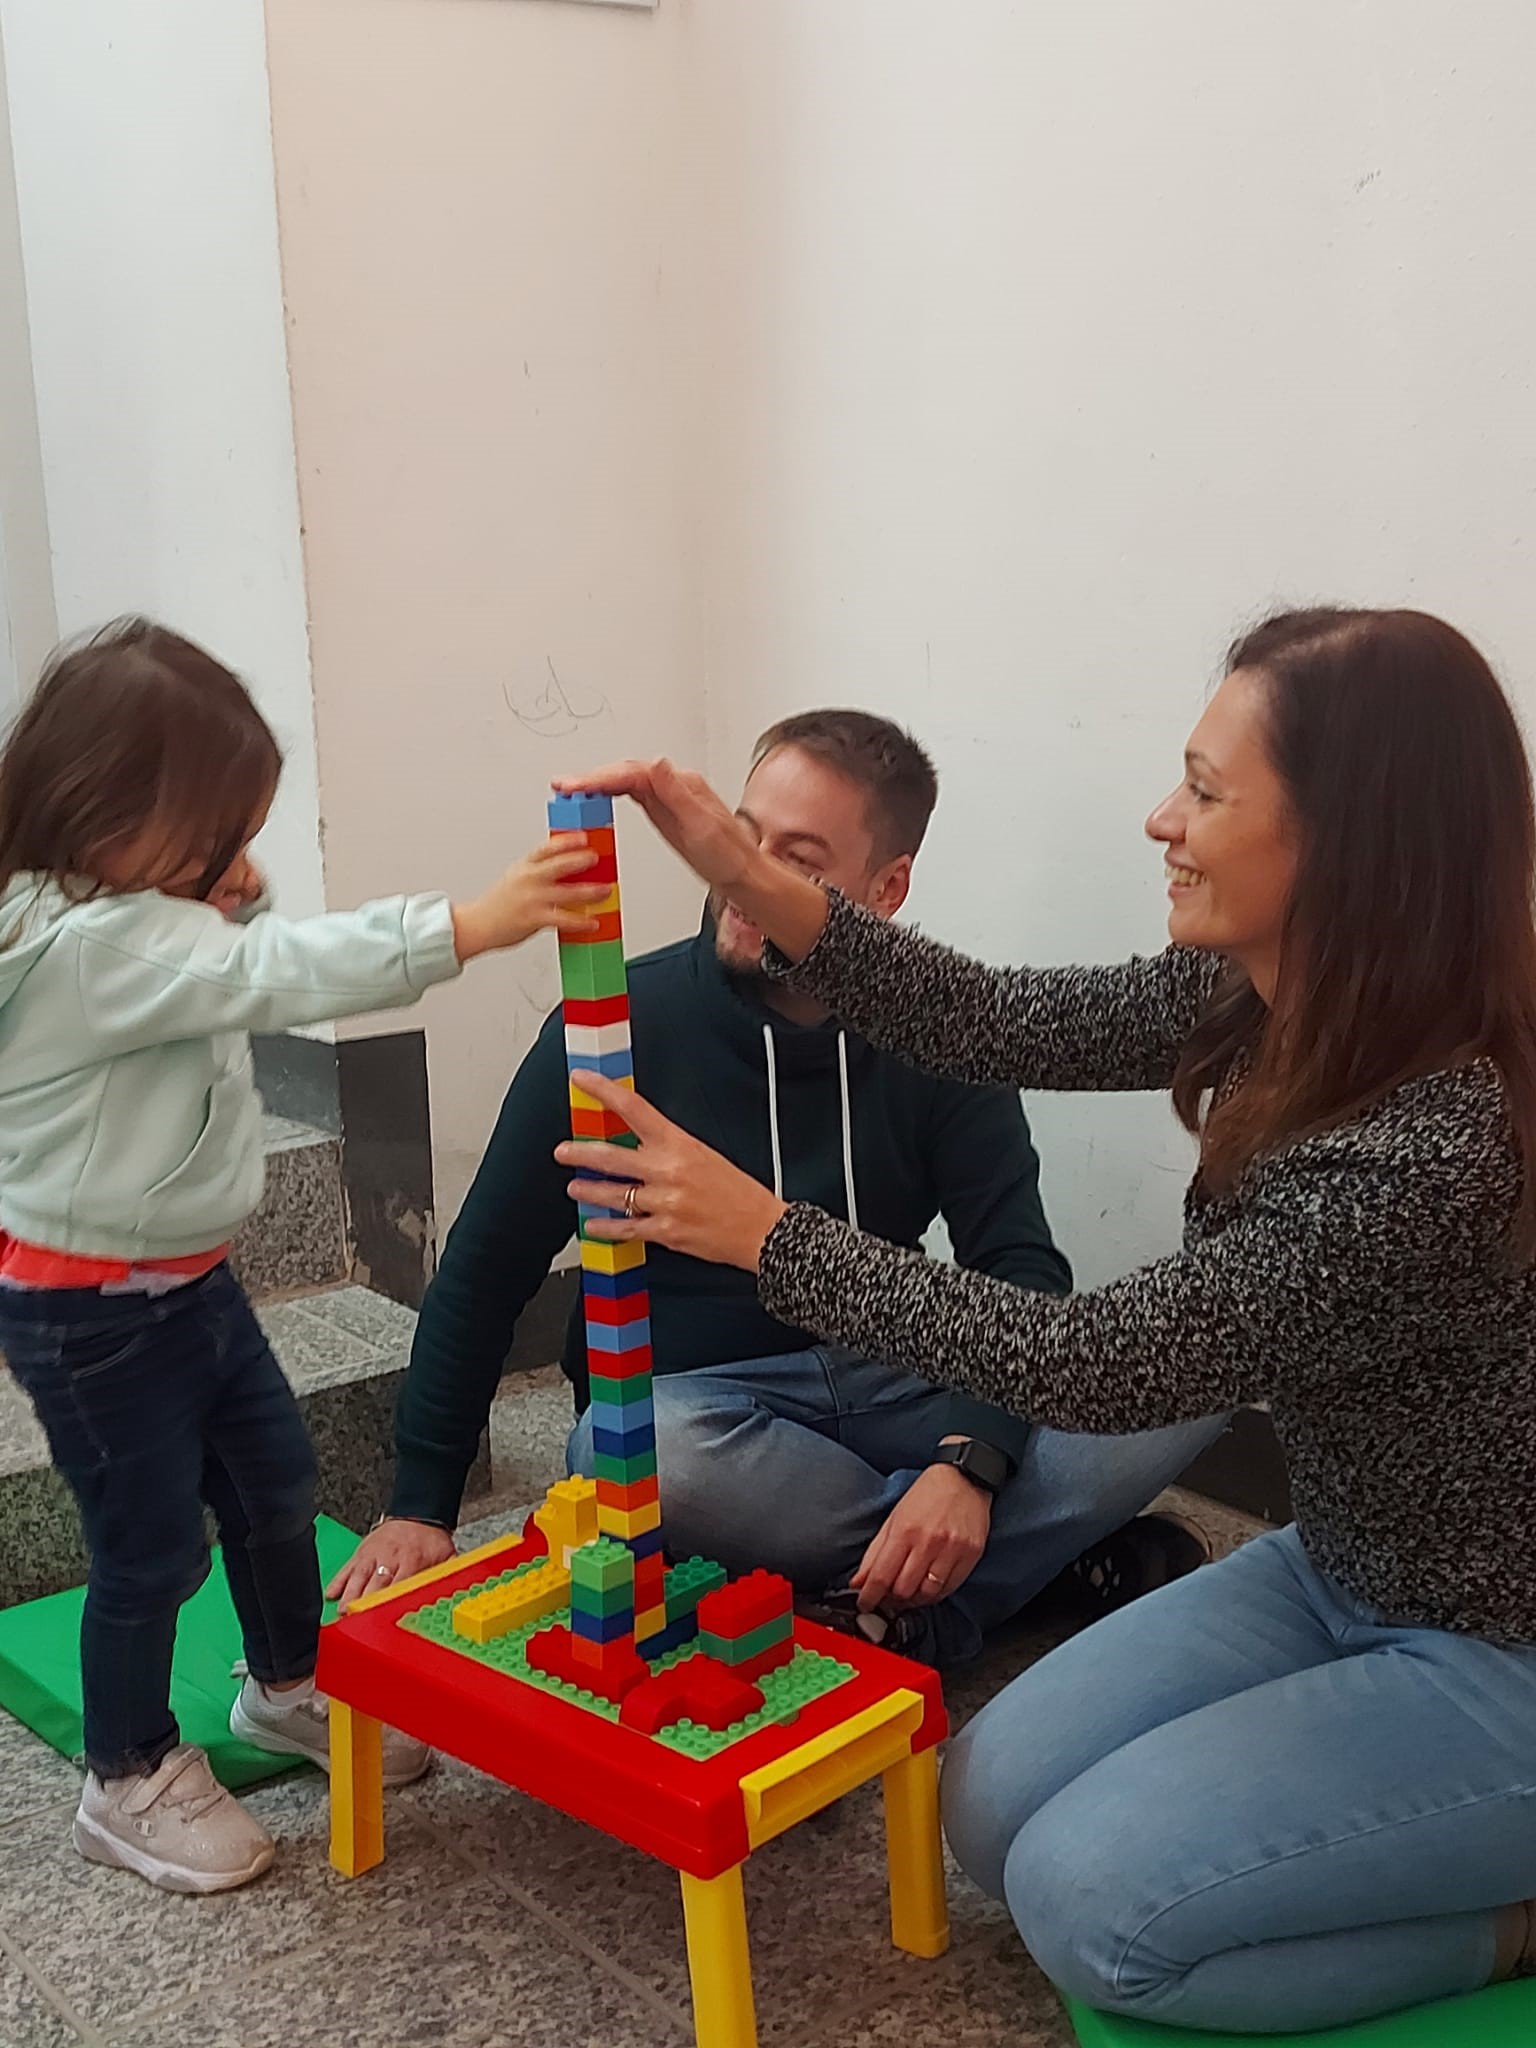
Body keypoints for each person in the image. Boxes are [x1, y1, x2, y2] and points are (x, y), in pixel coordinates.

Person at [552, 607, 1536, 2035]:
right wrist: (744, 866)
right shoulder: (1266, 991)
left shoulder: (1434, 1147)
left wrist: (763, 1231)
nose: (1162, 819)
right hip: (1343, 1565)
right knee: (989, 1798)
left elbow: (1099, 1361)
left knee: (1097, 1911)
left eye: (1205, 791)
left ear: (1346, 843)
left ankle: (1512, 1920)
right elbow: (997, 1017)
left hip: (1499, 1643)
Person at [331, 710, 1221, 1665]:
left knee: (1196, 1370)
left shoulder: (942, 1028)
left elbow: (1016, 1264)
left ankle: (896, 1596)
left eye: (795, 861)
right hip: (706, 1410)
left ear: (887, 890)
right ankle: (995, 1574)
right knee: (640, 1455)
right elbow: (484, 1271)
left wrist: (967, 1466)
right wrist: (420, 1504)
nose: (743, 882)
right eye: (739, 840)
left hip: (901, 1373)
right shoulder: (612, 1029)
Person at [0, 618, 607, 1895]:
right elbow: (269, 971)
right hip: (92, 1313)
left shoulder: (131, 913)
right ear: (104, 811)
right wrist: (471, 923)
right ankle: (127, 1773)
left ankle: (285, 1683)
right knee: (148, 1545)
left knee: (274, 1481)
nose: (228, 857)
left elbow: (226, 946)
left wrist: (227, 880)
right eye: (210, 830)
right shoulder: (92, 944)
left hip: (189, 1281)